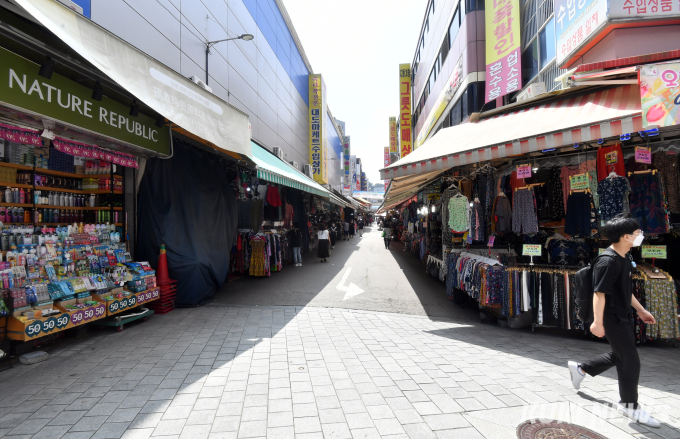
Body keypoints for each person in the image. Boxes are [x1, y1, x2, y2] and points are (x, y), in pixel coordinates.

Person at [568, 214, 659, 428]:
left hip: (621, 314)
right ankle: (629, 405)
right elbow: (599, 293)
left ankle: (582, 369)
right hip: (610, 316)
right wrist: (597, 322)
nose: (641, 236)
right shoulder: (607, 261)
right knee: (630, 360)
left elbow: (624, 291)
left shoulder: (623, 257)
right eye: (638, 233)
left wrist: (641, 310)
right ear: (626, 236)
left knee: (622, 354)